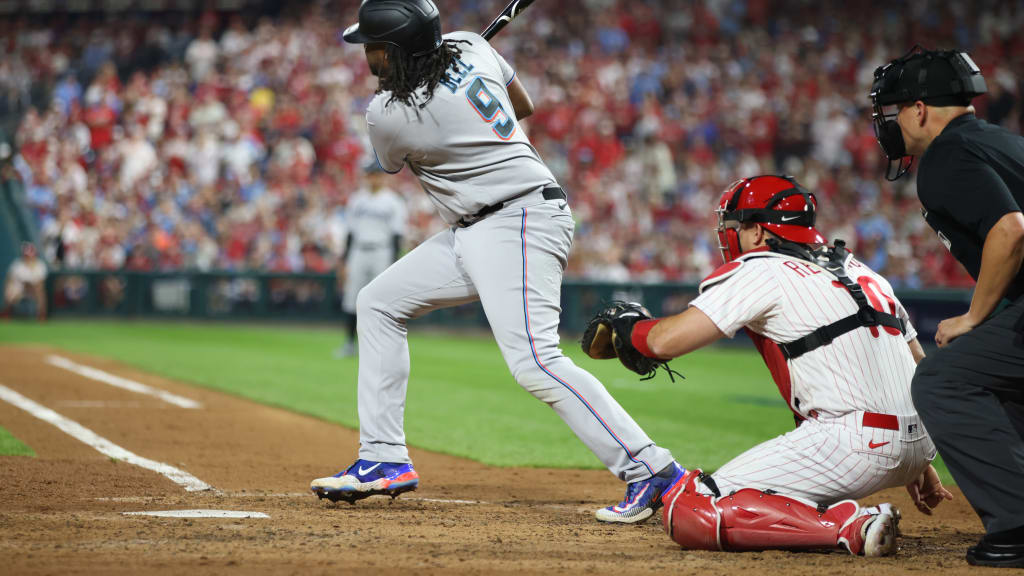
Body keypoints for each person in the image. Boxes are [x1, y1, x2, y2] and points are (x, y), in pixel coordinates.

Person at [310, 0, 681, 524]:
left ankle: (653, 468)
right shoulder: (469, 43)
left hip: (517, 223)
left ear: (396, 52)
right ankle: (383, 458)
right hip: (478, 227)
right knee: (378, 303)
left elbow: (392, 162)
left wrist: (434, 91)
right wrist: (457, 80)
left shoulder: (387, 115)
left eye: (374, 48)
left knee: (535, 362)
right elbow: (520, 106)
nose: (367, 56)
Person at [583, 175, 951, 556]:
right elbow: (920, 368)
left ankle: (850, 526)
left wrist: (631, 328)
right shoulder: (864, 272)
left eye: (738, 226)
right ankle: (844, 512)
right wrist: (915, 457)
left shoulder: (764, 267)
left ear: (758, 232)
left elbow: (664, 341)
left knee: (691, 508)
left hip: (854, 444)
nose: (731, 235)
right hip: (920, 440)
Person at [870, 47, 1024, 568]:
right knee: (1000, 382)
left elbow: (1011, 230)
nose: (890, 125)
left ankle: (1017, 526)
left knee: (942, 381)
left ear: (919, 109)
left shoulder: (945, 156)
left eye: (893, 112)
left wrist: (976, 316)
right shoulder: (1001, 141)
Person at [335, 164, 407, 358]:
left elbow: (397, 235)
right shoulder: (357, 200)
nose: (373, 179)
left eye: (376, 175)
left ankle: (382, 347)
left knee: (383, 299)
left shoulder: (393, 201)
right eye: (370, 175)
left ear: (383, 178)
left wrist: (393, 262)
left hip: (381, 251)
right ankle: (350, 343)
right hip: (358, 251)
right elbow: (350, 232)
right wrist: (345, 259)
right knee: (352, 298)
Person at [2, 242, 47, 321]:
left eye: (30, 255)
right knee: (10, 292)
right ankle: (6, 314)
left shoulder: (40, 265)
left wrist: (31, 287)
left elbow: (40, 284)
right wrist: (9, 289)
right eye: (26, 256)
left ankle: (41, 316)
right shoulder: (17, 265)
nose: (28, 258)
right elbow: (9, 280)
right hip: (19, 289)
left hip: (33, 289)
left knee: (40, 293)